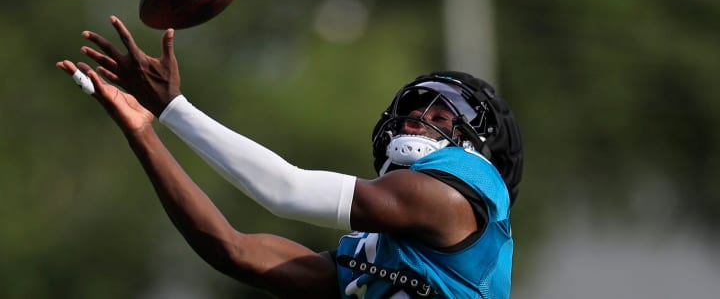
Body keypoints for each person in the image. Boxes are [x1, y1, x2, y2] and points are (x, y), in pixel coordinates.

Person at [57, 16, 523, 299]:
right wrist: (143, 132)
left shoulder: (463, 190)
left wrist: (174, 110)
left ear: (480, 146)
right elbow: (234, 251)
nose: (414, 119)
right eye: (410, 111)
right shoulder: (379, 257)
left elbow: (286, 191)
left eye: (440, 111)